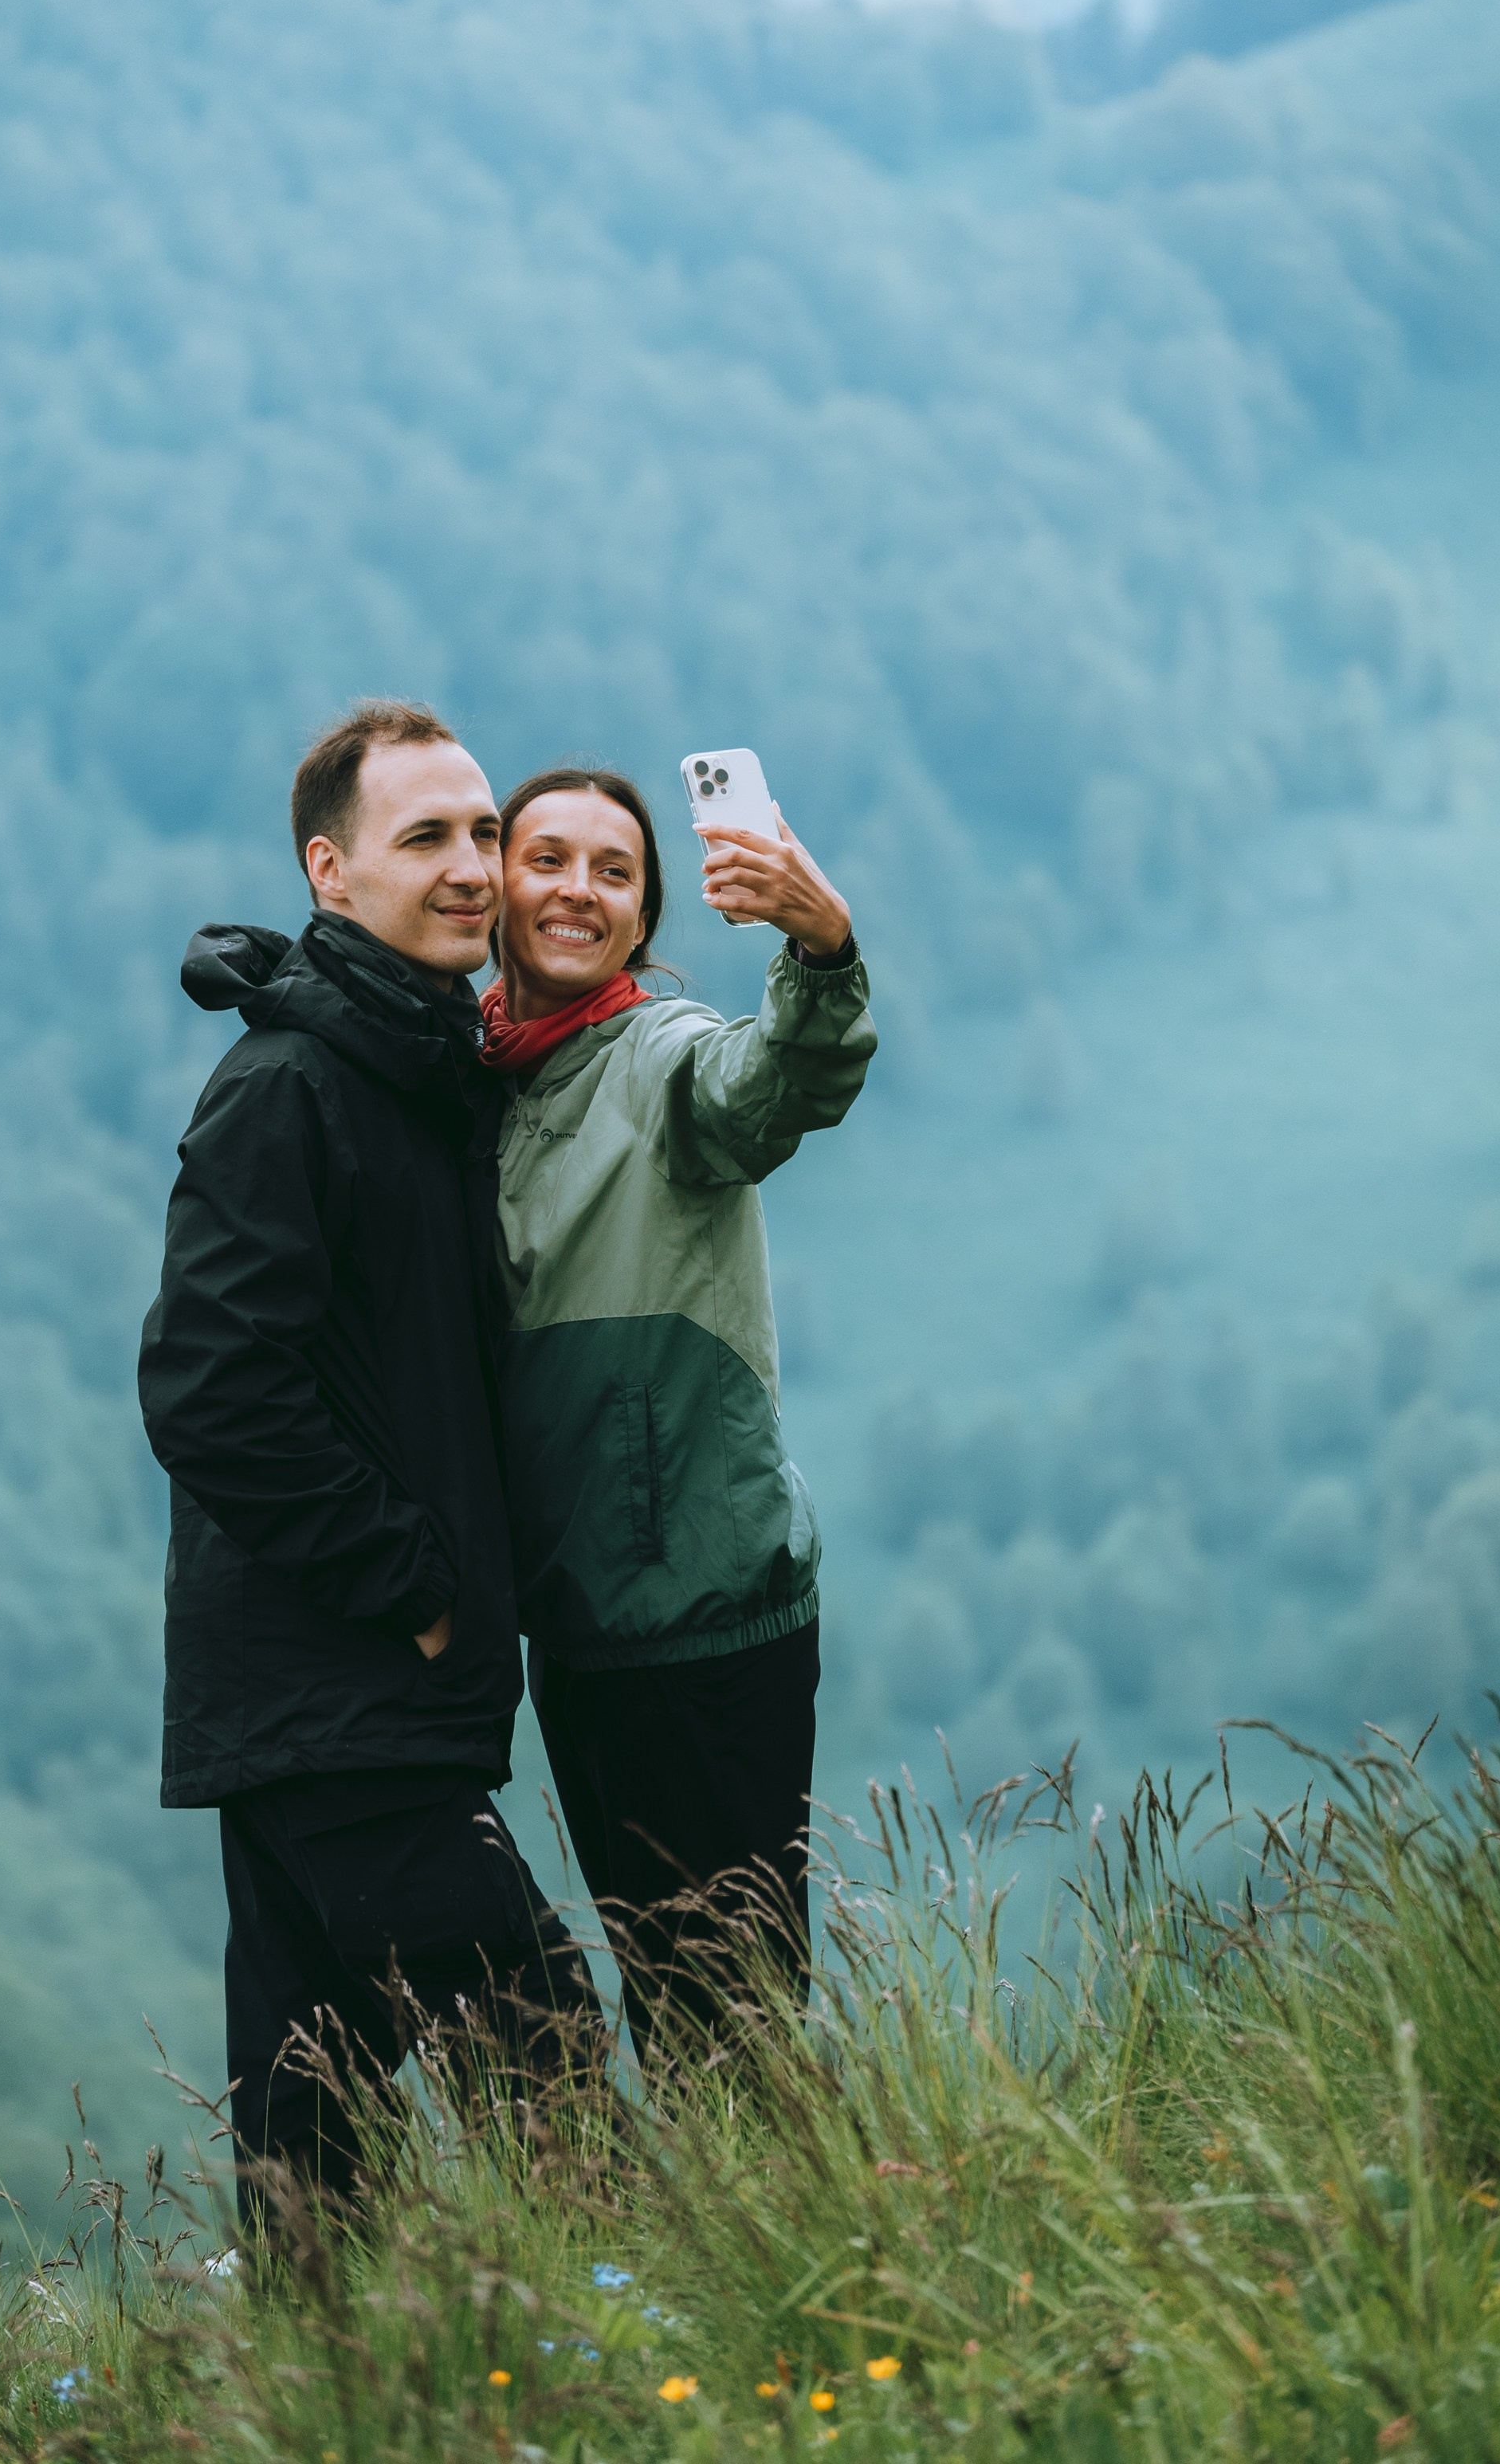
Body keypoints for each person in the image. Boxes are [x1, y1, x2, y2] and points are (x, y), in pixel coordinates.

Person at [137, 700, 601, 2209]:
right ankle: (643, 2345)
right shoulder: (290, 1090)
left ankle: (320, 2398)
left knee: (310, 2123)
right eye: (428, 839)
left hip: (342, 1695)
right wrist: (410, 1579)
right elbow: (206, 1386)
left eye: (482, 831)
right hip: (341, 1686)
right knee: (543, 2049)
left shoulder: (418, 1068)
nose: (473, 865)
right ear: (331, 873)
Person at [480, 765, 875, 2060]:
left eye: (612, 870)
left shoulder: (657, 1059)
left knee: (729, 2011)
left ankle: (802, 2248)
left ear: (642, 915)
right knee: (666, 1994)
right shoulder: (474, 1081)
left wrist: (820, 953)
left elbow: (771, 1087)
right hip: (580, 1627)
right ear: (494, 884)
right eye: (547, 859)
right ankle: (740, 2245)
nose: (576, 890)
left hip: (705, 1617)